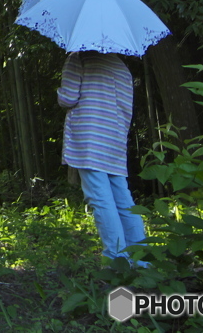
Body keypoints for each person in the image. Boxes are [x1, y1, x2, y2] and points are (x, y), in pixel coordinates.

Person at [58, 50, 149, 267]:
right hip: (115, 140)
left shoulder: (78, 58)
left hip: (90, 138)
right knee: (123, 200)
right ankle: (141, 260)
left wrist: (60, 92)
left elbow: (67, 98)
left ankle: (116, 260)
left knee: (100, 199)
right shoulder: (120, 65)